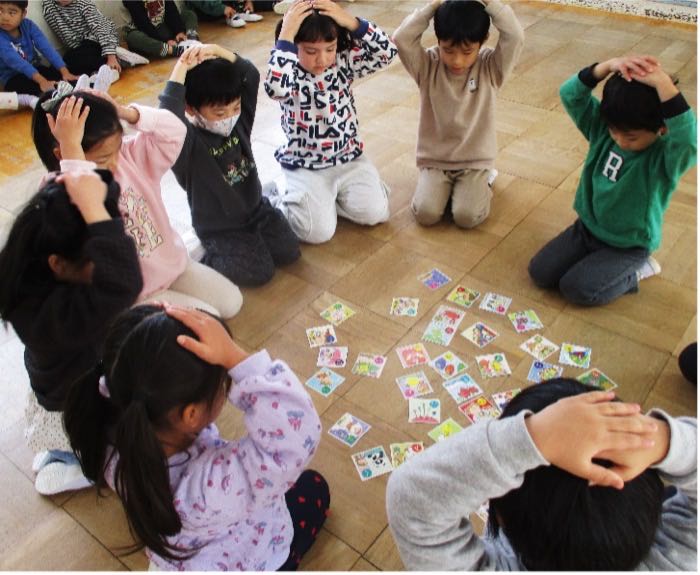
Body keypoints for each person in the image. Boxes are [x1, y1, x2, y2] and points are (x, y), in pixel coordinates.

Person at [63, 304, 329, 571]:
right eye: (223, 379)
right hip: (249, 560)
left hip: (185, 558)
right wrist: (236, 359)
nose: (227, 382)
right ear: (191, 414)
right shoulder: (209, 489)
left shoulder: (115, 422)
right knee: (315, 487)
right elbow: (294, 441)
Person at [387, 379, 697, 570]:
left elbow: (413, 502)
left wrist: (530, 440)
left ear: (500, 514)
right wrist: (657, 439)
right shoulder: (678, 560)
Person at [32, 83, 243, 318]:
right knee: (210, 316)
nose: (115, 162)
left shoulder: (128, 157)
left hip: (173, 267)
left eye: (117, 148)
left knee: (232, 302)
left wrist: (125, 112)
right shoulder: (58, 192)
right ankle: (130, 323)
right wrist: (72, 151)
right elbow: (78, 200)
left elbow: (175, 131)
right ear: (65, 154)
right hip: (135, 294)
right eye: (103, 158)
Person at [0, 170, 142, 495]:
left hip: (62, 388)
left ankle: (62, 451)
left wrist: (87, 189)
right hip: (77, 406)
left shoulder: (32, 266)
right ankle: (76, 466)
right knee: (119, 446)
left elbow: (108, 194)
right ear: (59, 264)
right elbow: (123, 281)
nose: (106, 260)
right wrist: (92, 209)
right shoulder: (56, 317)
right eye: (96, 258)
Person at [528, 55, 697, 306]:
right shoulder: (603, 130)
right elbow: (570, 95)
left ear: (661, 128)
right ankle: (600, 265)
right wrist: (606, 67)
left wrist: (663, 83)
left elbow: (689, 140)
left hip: (628, 246)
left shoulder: (665, 158)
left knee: (576, 289)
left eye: (631, 137)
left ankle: (636, 272)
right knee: (540, 272)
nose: (619, 140)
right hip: (586, 230)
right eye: (614, 130)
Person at [159, 44, 300, 286]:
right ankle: (204, 258)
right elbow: (167, 115)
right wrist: (181, 67)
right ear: (190, 108)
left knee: (289, 251)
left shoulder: (239, 124)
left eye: (235, 108)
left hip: (257, 211)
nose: (230, 117)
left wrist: (217, 50)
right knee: (260, 272)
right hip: (220, 228)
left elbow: (250, 75)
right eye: (219, 113)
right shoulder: (187, 142)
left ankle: (253, 240)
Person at [264, 0, 397, 244]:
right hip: (305, 165)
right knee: (316, 233)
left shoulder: (343, 62)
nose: (322, 59)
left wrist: (353, 23)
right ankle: (283, 193)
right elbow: (275, 88)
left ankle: (325, 201)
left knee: (376, 213)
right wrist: (286, 33)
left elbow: (388, 52)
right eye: (311, 51)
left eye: (330, 48)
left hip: (350, 159)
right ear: (293, 47)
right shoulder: (289, 72)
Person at [393, 0, 523, 229]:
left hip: (475, 162)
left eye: (467, 51)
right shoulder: (427, 65)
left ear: (483, 41)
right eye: (448, 50)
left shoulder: (492, 68)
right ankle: (448, 191)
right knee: (426, 214)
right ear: (438, 40)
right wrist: (433, 7)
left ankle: (484, 180)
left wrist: (489, 3)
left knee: (467, 217)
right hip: (435, 161)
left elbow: (514, 36)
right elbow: (402, 38)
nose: (457, 60)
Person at [0, 0, 78, 96]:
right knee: (42, 92)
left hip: (36, 68)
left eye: (12, 12)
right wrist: (42, 81)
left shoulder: (28, 25)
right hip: (13, 77)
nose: (5, 17)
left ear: (23, 14)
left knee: (62, 79)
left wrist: (65, 72)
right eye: (0, 11)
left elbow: (46, 48)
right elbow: (16, 61)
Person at [41, 0, 121, 76]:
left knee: (75, 59)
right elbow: (64, 36)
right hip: (80, 48)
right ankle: (97, 71)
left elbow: (101, 28)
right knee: (64, 65)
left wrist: (111, 56)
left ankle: (113, 60)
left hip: (98, 40)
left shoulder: (83, 3)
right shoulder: (48, 7)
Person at [123, 0, 200, 59]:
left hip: (164, 28)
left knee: (189, 14)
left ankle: (191, 40)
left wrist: (179, 31)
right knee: (132, 37)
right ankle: (174, 50)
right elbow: (143, 25)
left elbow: (171, 11)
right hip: (147, 36)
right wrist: (165, 41)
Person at [186, 0, 265, 29]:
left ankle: (240, 9)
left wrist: (248, 1)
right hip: (206, 11)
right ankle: (231, 14)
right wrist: (222, 8)